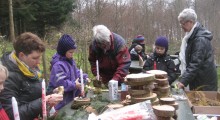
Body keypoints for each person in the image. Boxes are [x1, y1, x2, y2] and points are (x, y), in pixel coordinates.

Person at [0, 32, 63, 120]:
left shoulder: (29, 69)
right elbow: (12, 114)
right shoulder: (6, 77)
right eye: (35, 58)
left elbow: (32, 92)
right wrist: (44, 101)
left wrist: (51, 93)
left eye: (39, 57)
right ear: (21, 55)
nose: (39, 62)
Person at [177, 8, 218, 91]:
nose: (181, 26)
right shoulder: (191, 37)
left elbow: (195, 63)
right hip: (199, 79)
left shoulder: (200, 40)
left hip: (204, 83)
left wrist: (183, 81)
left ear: (190, 22)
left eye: (183, 24)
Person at [48, 34, 89, 110]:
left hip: (70, 100)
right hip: (60, 103)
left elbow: (75, 72)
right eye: (70, 52)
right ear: (63, 51)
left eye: (73, 52)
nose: (72, 54)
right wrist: (74, 85)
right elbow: (60, 83)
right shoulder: (58, 65)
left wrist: (84, 77)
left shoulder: (70, 61)